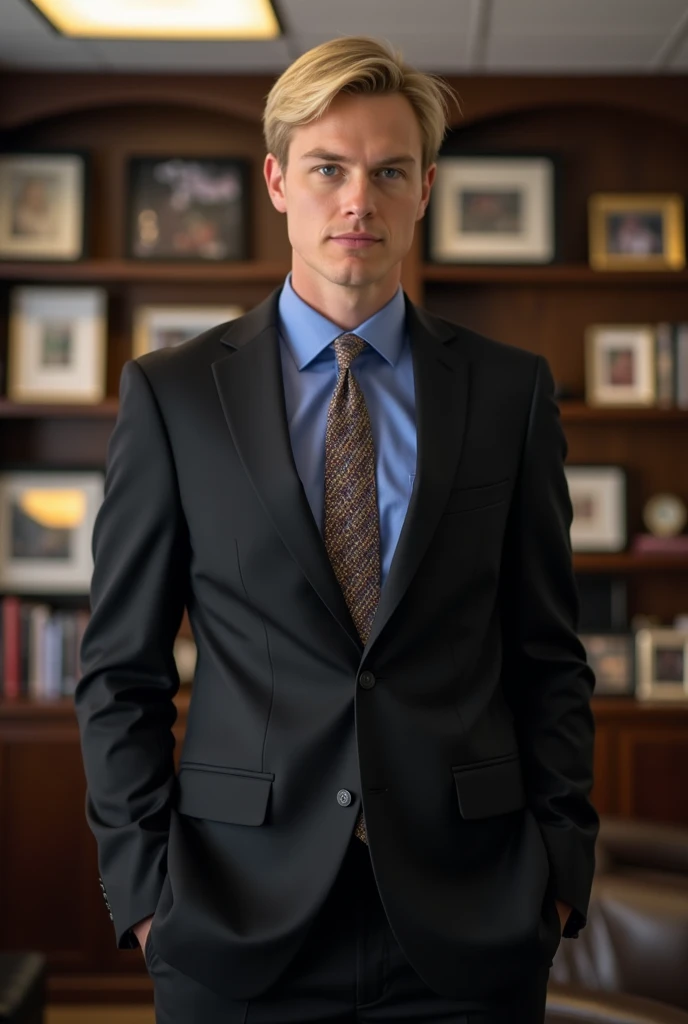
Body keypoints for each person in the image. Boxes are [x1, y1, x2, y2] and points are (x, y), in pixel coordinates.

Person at [75, 35, 599, 1024]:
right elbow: (120, 672)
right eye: (327, 169)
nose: (357, 199)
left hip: (472, 915)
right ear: (277, 181)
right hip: (233, 916)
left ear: (425, 189)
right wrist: (145, 896)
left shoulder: (506, 392)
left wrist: (558, 870)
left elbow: (548, 655)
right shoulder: (176, 395)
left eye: (388, 171)